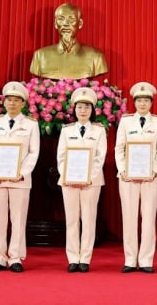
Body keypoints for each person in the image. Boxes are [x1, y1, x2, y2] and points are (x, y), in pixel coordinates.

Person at [0, 81, 40, 273]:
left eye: (16, 100)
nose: (12, 104)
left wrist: (21, 173)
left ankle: (15, 257)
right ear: (4, 102)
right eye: (9, 100)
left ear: (23, 103)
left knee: (18, 218)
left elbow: (33, 153)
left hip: (20, 181)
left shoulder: (31, 125)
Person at [115, 81, 157, 273]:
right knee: (129, 217)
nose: (143, 104)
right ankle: (129, 259)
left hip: (150, 177)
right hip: (128, 177)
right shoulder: (126, 121)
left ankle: (146, 260)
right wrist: (122, 170)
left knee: (148, 217)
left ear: (151, 103)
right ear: (134, 103)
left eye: (146, 100)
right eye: (139, 100)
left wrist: (154, 170)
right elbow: (119, 148)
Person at [57, 87, 107, 273]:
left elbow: (100, 157)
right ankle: (72, 257)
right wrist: (68, 175)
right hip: (69, 181)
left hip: (91, 182)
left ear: (92, 110)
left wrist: (88, 176)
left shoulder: (99, 131)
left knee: (88, 219)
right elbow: (61, 157)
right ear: (74, 109)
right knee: (71, 220)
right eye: (79, 107)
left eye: (87, 107)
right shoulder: (66, 130)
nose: (83, 110)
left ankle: (85, 258)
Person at [29, 2, 108, 80]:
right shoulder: (40, 55)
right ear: (55, 24)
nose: (66, 24)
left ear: (80, 24)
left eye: (71, 19)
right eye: (61, 19)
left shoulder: (96, 57)